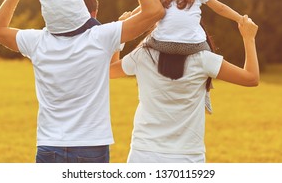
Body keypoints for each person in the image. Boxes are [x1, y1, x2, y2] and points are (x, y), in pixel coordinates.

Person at [0, 0, 165, 163]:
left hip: (49, 145)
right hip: (90, 145)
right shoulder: (101, 37)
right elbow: (155, 11)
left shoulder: (37, 41)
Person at [110, 14, 259, 163]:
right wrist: (249, 38)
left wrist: (120, 34)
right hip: (187, 157)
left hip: (144, 154)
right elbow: (251, 78)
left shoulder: (143, 55)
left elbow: (110, 71)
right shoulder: (204, 59)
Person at [127, 0, 244, 114]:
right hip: (193, 46)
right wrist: (239, 18)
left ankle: (147, 81)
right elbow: (220, 8)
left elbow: (143, 8)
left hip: (162, 43)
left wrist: (127, 18)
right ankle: (205, 92)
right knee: (209, 54)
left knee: (143, 47)